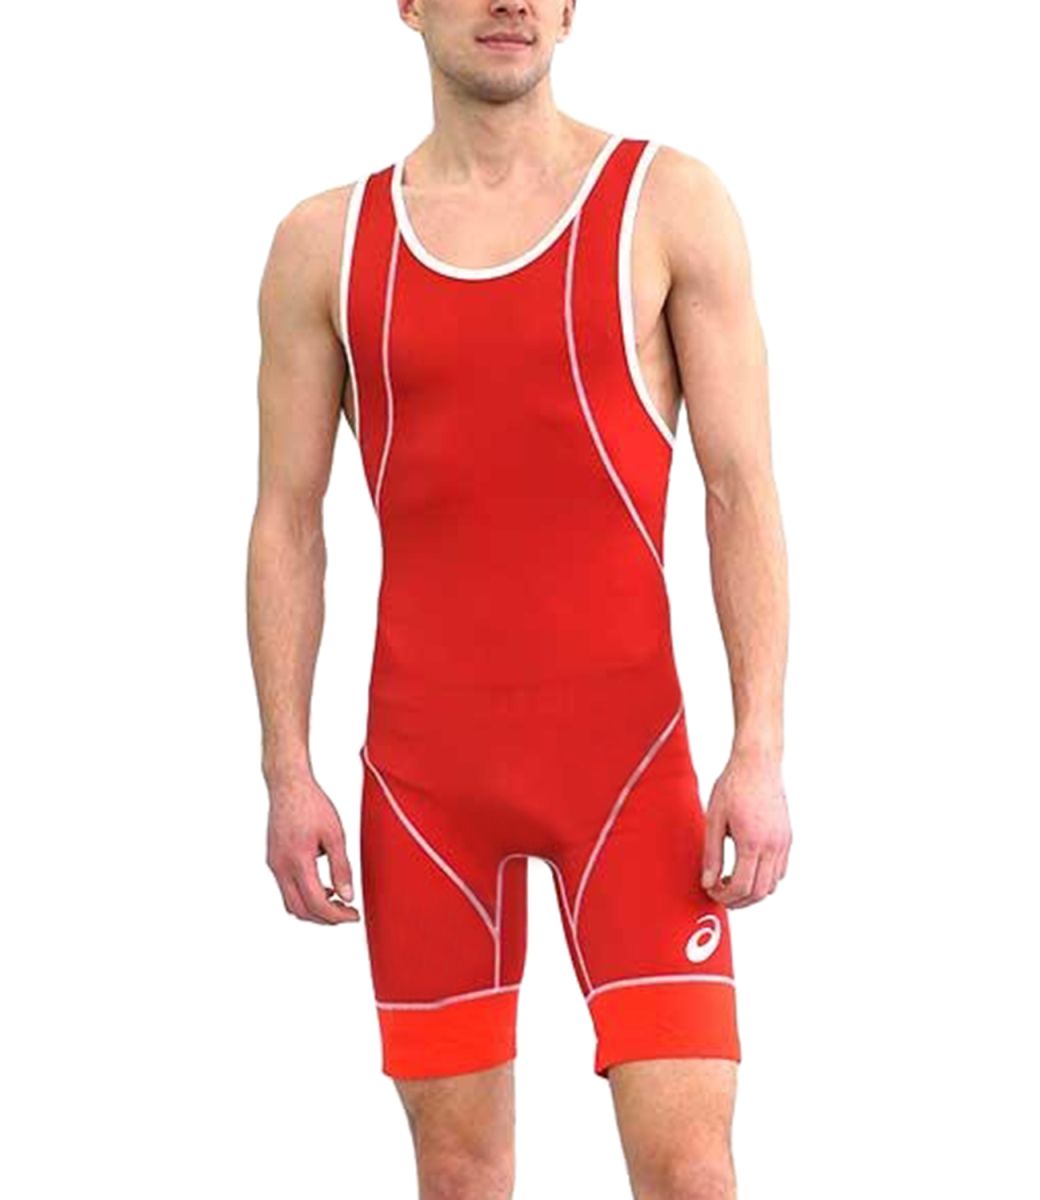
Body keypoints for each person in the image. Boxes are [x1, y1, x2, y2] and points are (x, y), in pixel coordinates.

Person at [247, 2, 791, 1196]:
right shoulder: (324, 244)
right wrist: (288, 771)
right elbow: (288, 519)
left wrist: (756, 748)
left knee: (690, 1171)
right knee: (459, 1176)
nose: (508, 2)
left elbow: (738, 488)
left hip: (630, 771)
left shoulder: (666, 203)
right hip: (424, 785)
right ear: (408, 4)